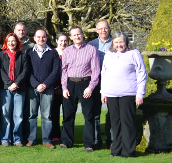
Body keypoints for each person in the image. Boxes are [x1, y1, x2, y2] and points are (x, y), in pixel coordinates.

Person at [101, 31, 146, 158]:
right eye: (116, 42)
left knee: (127, 122)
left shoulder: (134, 53)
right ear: (113, 43)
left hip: (128, 93)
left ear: (126, 42)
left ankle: (128, 151)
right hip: (111, 94)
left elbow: (141, 74)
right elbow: (104, 74)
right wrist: (103, 92)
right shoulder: (109, 55)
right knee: (115, 123)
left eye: (121, 42)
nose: (119, 45)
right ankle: (116, 149)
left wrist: (140, 94)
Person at [59, 27, 101, 153]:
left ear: (83, 35)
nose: (77, 37)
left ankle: (89, 143)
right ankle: (66, 141)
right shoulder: (66, 51)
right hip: (70, 84)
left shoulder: (92, 50)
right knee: (68, 115)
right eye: (74, 35)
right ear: (70, 37)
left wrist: (90, 87)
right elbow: (64, 71)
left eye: (79, 34)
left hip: (86, 83)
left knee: (88, 115)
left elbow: (96, 71)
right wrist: (64, 88)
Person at [26, 29, 60, 149]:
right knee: (32, 115)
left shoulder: (53, 53)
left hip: (48, 88)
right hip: (32, 88)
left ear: (47, 38)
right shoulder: (29, 52)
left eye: (43, 37)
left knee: (47, 115)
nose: (41, 39)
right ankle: (31, 139)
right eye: (38, 37)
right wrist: (36, 84)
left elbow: (56, 71)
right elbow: (28, 71)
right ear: (34, 38)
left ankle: (47, 140)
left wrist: (45, 84)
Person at [0, 33, 29, 147]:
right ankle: (5, 139)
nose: (11, 43)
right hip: (5, 89)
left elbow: (25, 71)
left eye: (13, 41)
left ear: (17, 42)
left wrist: (16, 83)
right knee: (5, 115)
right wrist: (10, 83)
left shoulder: (23, 55)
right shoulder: (1, 55)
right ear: (6, 42)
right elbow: (1, 71)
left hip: (19, 89)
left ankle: (17, 139)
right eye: (9, 41)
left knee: (18, 115)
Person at [88, 20, 112, 149]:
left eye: (105, 28)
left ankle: (112, 141)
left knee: (113, 113)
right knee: (96, 113)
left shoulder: (117, 44)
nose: (103, 30)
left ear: (109, 29)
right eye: (100, 28)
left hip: (113, 83)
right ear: (96, 30)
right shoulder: (91, 45)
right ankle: (97, 141)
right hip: (96, 82)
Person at [50, 33, 69, 143]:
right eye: (61, 40)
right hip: (55, 88)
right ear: (56, 40)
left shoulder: (70, 52)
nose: (63, 43)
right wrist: (56, 87)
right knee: (54, 113)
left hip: (67, 88)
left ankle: (66, 136)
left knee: (67, 114)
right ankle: (55, 135)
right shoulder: (52, 53)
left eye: (65, 40)